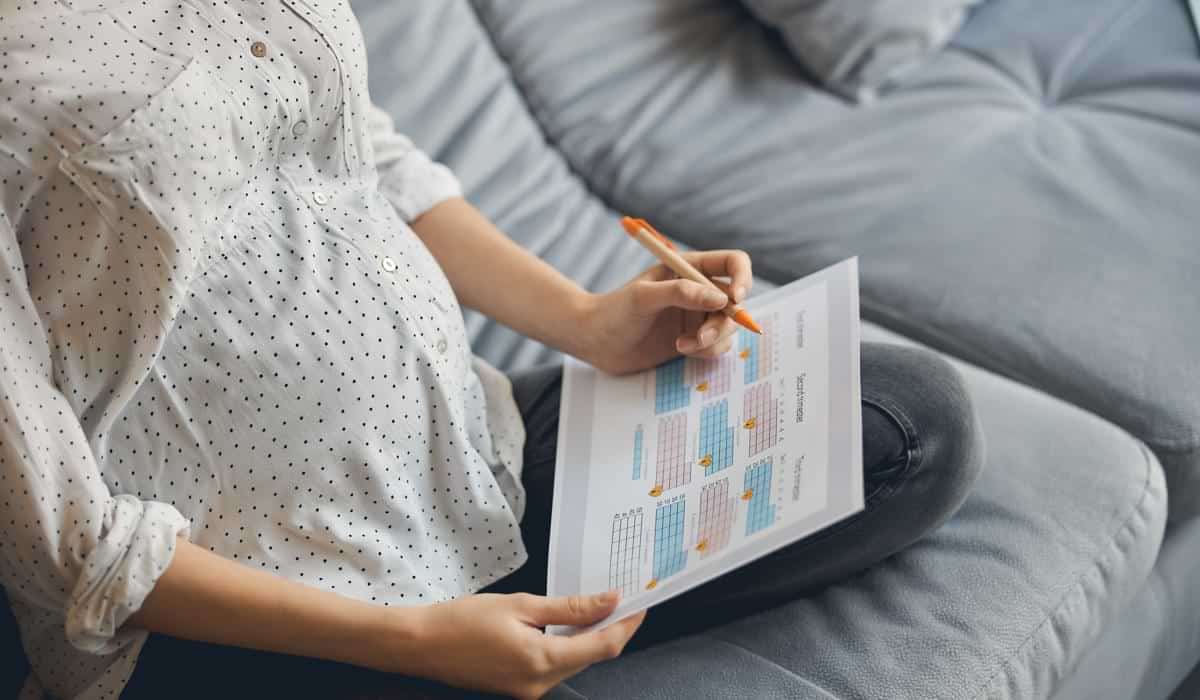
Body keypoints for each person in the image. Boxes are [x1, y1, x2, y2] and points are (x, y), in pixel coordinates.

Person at [0, 2, 983, 699]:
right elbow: (67, 543)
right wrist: (410, 640)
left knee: (903, 418)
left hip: (472, 451)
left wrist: (586, 319)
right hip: (269, 596)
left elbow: (356, 151)